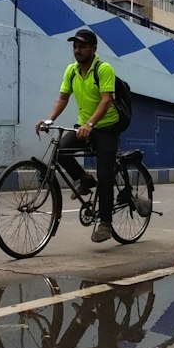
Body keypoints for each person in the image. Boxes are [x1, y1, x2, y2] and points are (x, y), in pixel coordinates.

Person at [36, 26, 120, 243]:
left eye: (82, 46)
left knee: (105, 175)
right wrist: (49, 120)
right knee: (61, 151)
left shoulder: (104, 69)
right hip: (84, 125)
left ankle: (105, 223)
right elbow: (63, 98)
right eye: (75, 46)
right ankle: (84, 179)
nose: (77, 50)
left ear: (93, 48)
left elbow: (106, 100)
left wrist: (91, 124)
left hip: (106, 126)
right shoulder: (71, 70)